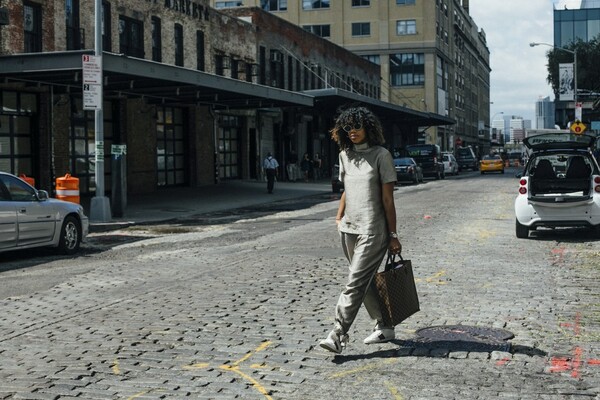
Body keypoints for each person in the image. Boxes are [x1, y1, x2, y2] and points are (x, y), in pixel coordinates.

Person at [319, 106, 401, 355]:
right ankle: (385, 327)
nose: (352, 131)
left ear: (368, 128)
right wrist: (338, 216)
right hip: (349, 230)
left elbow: (388, 200)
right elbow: (346, 189)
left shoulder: (381, 155)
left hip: (373, 230)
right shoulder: (345, 156)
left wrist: (393, 235)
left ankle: (338, 333)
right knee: (363, 281)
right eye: (348, 127)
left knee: (354, 282)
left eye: (357, 126)